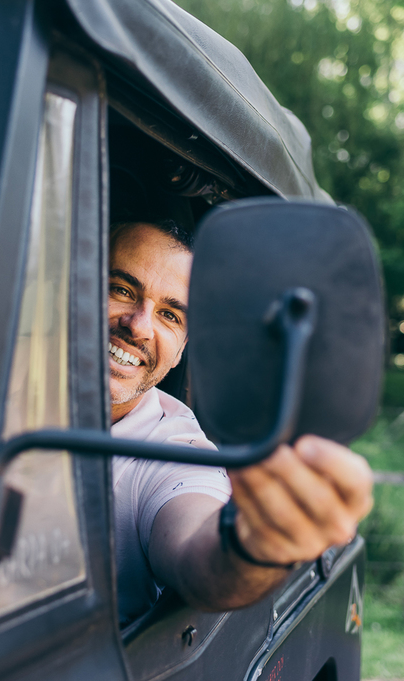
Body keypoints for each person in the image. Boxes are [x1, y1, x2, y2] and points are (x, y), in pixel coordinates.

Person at [108, 219, 374, 624]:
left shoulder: (175, 452)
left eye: (171, 316)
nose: (139, 325)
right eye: (122, 290)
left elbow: (200, 554)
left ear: (181, 350)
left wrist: (257, 541)